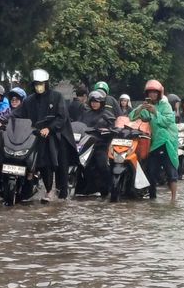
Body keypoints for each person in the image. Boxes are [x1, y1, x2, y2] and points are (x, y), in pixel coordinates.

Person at [13, 68, 77, 202]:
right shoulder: (29, 100)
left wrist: (50, 128)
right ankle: (45, 190)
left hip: (59, 135)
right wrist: (2, 121)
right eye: (36, 84)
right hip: (38, 136)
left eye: (41, 84)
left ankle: (61, 194)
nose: (39, 87)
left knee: (61, 165)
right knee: (42, 162)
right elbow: (17, 114)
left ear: (46, 84)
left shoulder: (57, 97)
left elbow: (62, 116)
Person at [129, 80, 179, 202]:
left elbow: (168, 121)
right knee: (151, 172)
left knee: (171, 172)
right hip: (154, 143)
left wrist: (155, 112)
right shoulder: (146, 106)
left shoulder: (165, 106)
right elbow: (132, 117)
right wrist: (141, 108)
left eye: (155, 93)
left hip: (166, 143)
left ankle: (173, 199)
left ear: (159, 93)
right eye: (150, 93)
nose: (152, 95)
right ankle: (153, 198)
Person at [78, 89, 116, 197]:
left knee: (102, 164)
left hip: (101, 145)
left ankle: (109, 187)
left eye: (97, 102)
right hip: (86, 145)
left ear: (102, 103)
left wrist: (106, 130)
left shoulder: (107, 114)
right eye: (92, 102)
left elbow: (113, 128)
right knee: (83, 166)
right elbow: (79, 124)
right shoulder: (86, 114)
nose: (94, 104)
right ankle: (87, 187)